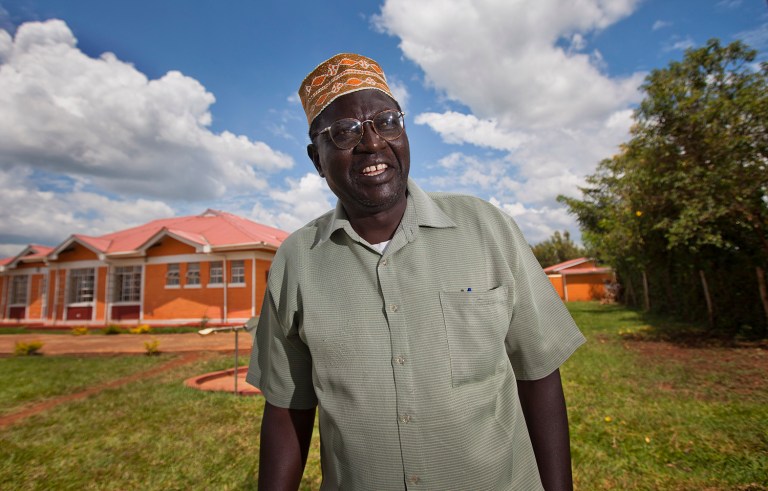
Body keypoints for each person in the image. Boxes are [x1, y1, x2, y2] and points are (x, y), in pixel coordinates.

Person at [247, 53, 586, 491]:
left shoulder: (487, 227)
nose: (372, 143)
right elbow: (286, 408)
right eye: (346, 132)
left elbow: (538, 374)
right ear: (317, 158)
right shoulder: (297, 260)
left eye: (387, 122)